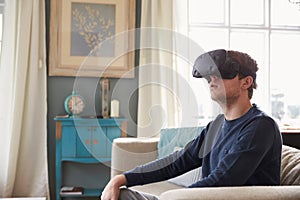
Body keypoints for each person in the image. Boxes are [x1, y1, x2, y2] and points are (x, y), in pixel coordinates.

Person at [100, 49, 282, 200]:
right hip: (196, 198)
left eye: (221, 74)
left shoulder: (261, 126)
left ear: (246, 82)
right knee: (120, 195)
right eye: (210, 76)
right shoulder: (216, 126)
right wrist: (122, 178)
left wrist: (174, 196)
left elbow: (223, 180)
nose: (212, 80)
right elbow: (176, 162)